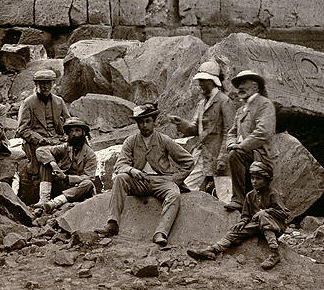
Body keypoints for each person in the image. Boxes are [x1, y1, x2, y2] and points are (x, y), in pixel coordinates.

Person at [95, 103, 194, 246]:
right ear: (137, 124)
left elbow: (188, 161)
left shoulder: (164, 140)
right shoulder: (131, 141)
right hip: (139, 182)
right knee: (120, 178)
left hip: (162, 181)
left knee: (174, 194)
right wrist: (132, 170)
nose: (145, 125)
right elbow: (120, 165)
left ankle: (161, 232)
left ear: (154, 122)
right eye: (141, 122)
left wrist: (175, 179)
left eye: (148, 121)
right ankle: (112, 223)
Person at [186, 162, 288, 270]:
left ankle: (274, 253)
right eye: (252, 178)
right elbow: (246, 214)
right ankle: (212, 250)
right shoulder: (250, 195)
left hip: (275, 225)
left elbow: (284, 213)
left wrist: (266, 212)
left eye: (258, 179)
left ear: (267, 180)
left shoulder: (272, 194)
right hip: (256, 225)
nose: (254, 181)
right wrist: (243, 221)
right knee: (236, 230)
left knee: (262, 215)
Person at [170, 60, 235, 202]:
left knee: (225, 195)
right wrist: (181, 123)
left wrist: (223, 157)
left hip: (217, 155)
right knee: (187, 186)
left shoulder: (224, 102)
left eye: (202, 80)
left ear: (212, 81)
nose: (199, 84)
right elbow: (195, 128)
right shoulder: (202, 103)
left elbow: (230, 132)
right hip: (200, 154)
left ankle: (231, 223)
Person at [17, 69, 71, 208]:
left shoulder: (59, 101)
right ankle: (44, 199)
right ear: (36, 84)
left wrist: (68, 134)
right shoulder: (28, 103)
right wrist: (38, 138)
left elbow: (68, 122)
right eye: (42, 83)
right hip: (38, 143)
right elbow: (22, 129)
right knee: (45, 159)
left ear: (53, 83)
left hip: (57, 139)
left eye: (48, 83)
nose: (45, 86)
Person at [224, 70, 276, 211]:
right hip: (246, 155)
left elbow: (263, 132)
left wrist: (240, 146)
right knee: (233, 154)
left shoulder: (265, 104)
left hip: (261, 155)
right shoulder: (241, 110)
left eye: (244, 83)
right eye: (239, 84)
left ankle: (238, 200)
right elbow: (232, 132)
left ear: (255, 87)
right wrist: (231, 144)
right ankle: (241, 201)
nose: (240, 87)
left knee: (235, 154)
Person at [34, 117, 97, 214]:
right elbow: (41, 150)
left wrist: (66, 177)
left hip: (76, 188)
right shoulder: (65, 147)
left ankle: (55, 203)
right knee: (46, 163)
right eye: (71, 131)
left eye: (77, 130)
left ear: (84, 133)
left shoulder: (90, 155)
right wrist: (53, 164)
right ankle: (44, 199)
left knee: (88, 183)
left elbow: (89, 176)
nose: (74, 134)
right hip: (60, 185)